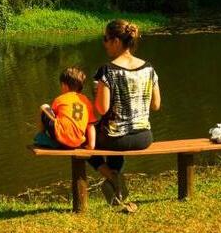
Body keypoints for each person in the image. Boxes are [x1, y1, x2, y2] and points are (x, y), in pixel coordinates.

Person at [89, 19, 161, 212]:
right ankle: (117, 189)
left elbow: (102, 110)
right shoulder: (149, 68)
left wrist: (96, 93)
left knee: (83, 139)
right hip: (144, 137)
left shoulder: (107, 71)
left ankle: (111, 176)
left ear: (116, 42)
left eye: (105, 39)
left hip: (116, 139)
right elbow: (156, 105)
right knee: (115, 132)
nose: (104, 43)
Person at [34, 67, 96, 150]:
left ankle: (41, 137)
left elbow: (53, 117)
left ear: (64, 86)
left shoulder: (60, 99)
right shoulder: (86, 101)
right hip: (77, 142)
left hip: (60, 137)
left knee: (44, 107)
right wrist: (91, 145)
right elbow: (90, 125)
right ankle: (56, 141)